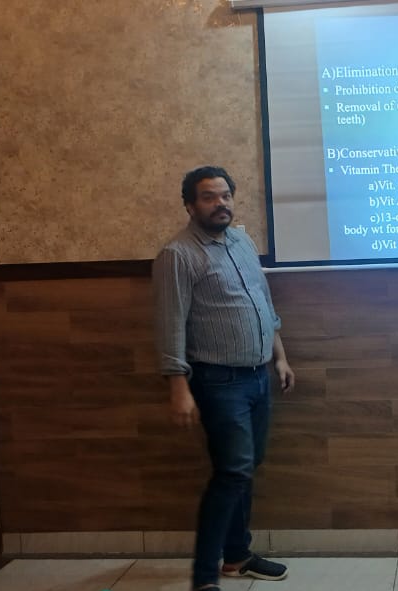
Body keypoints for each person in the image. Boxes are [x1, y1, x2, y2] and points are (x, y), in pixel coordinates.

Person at [154, 166, 296, 591]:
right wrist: (178, 387)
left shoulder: (242, 242)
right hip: (218, 382)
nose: (221, 204)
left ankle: (236, 557)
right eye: (209, 197)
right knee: (232, 472)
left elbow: (263, 302)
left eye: (225, 195)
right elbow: (170, 325)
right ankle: (203, 578)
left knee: (245, 468)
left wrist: (280, 358)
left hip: (259, 376)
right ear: (190, 205)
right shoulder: (177, 254)